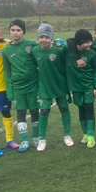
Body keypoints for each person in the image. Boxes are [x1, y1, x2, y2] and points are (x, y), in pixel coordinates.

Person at [31, 23, 73, 152]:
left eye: (47, 37)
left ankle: (67, 135)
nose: (43, 40)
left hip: (60, 84)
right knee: (44, 111)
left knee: (64, 108)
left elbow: (70, 49)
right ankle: (42, 139)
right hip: (44, 86)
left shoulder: (59, 50)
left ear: (52, 38)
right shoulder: (34, 50)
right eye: (41, 37)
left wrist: (62, 44)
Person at [2, 19, 40, 152]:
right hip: (17, 87)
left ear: (23, 32)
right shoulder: (6, 50)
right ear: (9, 32)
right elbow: (7, 71)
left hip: (33, 85)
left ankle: (36, 138)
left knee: (34, 111)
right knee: (21, 112)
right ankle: (24, 141)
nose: (15, 33)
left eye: (18, 30)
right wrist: (10, 92)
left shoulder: (31, 45)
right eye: (13, 30)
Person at [67, 29, 96, 148]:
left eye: (90, 41)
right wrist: (77, 56)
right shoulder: (69, 51)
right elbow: (69, 40)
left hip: (88, 86)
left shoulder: (92, 53)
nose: (89, 44)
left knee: (89, 108)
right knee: (81, 109)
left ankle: (91, 136)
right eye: (86, 42)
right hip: (76, 87)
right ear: (79, 42)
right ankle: (85, 134)